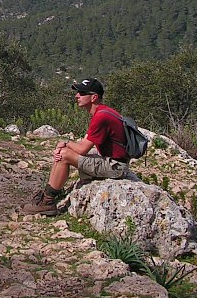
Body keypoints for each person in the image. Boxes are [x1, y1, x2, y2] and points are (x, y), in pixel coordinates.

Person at [22, 77, 129, 216]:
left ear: (94, 97)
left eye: (82, 93)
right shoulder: (104, 112)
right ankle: (47, 196)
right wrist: (63, 147)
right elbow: (86, 142)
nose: (77, 96)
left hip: (115, 167)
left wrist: (65, 143)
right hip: (113, 160)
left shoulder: (101, 117)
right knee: (63, 152)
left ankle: (47, 201)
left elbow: (82, 149)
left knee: (65, 155)